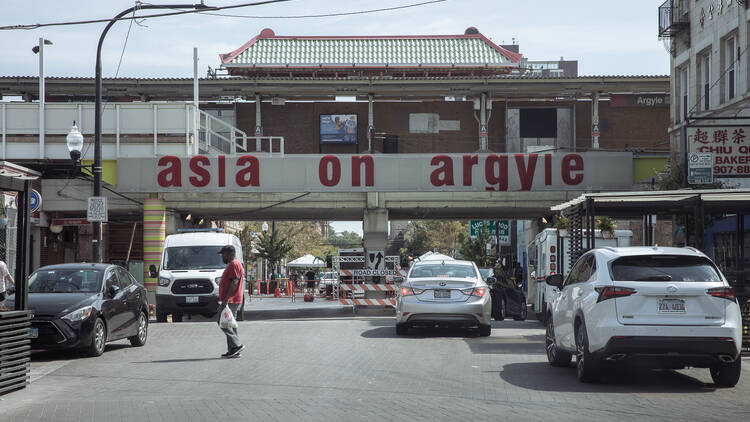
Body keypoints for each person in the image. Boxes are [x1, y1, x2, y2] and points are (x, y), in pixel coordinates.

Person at [217, 245, 244, 359]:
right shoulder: (233, 264)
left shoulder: (234, 264)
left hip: (232, 300)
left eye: (224, 254)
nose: (222, 256)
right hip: (230, 299)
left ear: (230, 254)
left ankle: (237, 345)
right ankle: (233, 350)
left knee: (222, 322)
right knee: (230, 324)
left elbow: (234, 282)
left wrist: (226, 299)